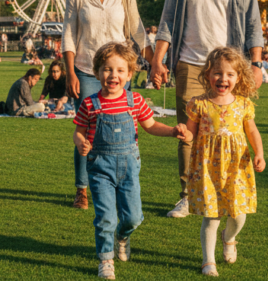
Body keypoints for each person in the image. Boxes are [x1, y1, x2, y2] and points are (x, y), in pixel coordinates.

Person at [148, 0, 263, 218]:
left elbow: (253, 22)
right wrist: (158, 60)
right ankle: (188, 194)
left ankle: (229, 190)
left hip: (229, 68)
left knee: (231, 131)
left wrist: (256, 63)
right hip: (190, 63)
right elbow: (168, 21)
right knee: (188, 132)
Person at [72, 42, 189, 279]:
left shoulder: (134, 101)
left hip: (128, 168)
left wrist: (172, 131)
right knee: (105, 217)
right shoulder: (89, 104)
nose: (113, 75)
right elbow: (79, 130)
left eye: (119, 70)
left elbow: (151, 125)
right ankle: (106, 260)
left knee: (133, 217)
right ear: (97, 72)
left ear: (129, 74)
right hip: (100, 168)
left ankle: (123, 236)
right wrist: (80, 142)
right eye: (107, 69)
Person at [62, 0, 151, 211]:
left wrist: (154, 62)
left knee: (122, 128)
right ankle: (82, 188)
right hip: (87, 70)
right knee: (88, 132)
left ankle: (120, 180)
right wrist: (70, 73)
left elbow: (137, 30)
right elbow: (68, 35)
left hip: (120, 72)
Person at [184, 47, 264, 277]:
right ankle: (208, 260)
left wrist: (259, 153)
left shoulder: (242, 104)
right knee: (212, 215)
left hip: (236, 167)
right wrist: (183, 133)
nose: (223, 78)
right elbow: (191, 133)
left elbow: (252, 131)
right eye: (218, 73)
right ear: (208, 74)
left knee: (238, 215)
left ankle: (229, 238)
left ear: (238, 77)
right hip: (207, 167)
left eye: (230, 74)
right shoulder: (198, 104)